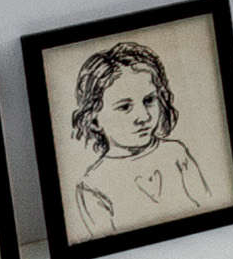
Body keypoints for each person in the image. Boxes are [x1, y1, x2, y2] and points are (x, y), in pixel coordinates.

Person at [61, 37, 220, 238]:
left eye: (149, 100)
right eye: (125, 107)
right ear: (94, 120)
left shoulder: (176, 153)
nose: (143, 117)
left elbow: (211, 210)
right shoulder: (93, 185)